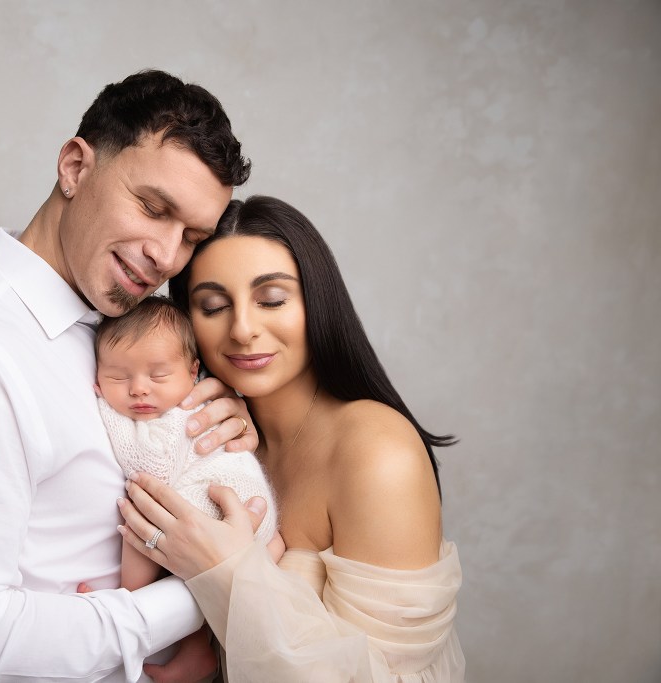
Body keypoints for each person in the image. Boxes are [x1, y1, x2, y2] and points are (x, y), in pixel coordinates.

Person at [0, 70, 259, 683]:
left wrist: (210, 426)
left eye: (191, 237)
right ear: (75, 167)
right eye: (153, 208)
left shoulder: (112, 336)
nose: (166, 255)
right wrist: (210, 583)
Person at [117, 196, 465, 682]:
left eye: (272, 300)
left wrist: (226, 570)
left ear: (317, 302)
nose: (242, 329)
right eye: (213, 306)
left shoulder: (377, 451)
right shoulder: (209, 439)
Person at [93, 296, 279, 593]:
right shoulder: (180, 400)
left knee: (146, 514)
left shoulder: (183, 413)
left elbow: (152, 469)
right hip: (254, 517)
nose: (139, 389)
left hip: (224, 500)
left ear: (193, 373)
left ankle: (128, 596)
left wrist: (107, 407)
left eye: (158, 375)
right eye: (118, 377)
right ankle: (193, 639)